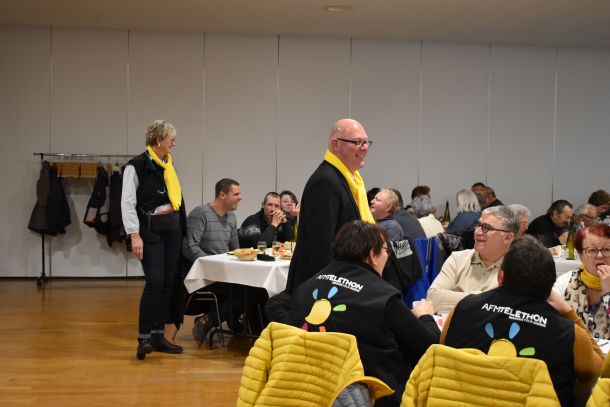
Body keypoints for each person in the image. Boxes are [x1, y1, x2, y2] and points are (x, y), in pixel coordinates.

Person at [288, 221, 440, 407]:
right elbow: (429, 347)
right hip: (371, 396)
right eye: (386, 250)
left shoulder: (305, 287)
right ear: (372, 255)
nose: (388, 256)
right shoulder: (383, 298)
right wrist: (425, 316)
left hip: (309, 390)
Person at [442, 236, 603, 406]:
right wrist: (569, 313)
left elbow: (444, 348)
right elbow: (598, 371)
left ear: (501, 276)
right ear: (550, 285)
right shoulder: (569, 333)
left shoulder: (462, 308)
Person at [121, 120, 186, 360]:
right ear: (159, 140)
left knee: (168, 282)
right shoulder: (136, 166)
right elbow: (127, 203)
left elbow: (176, 199)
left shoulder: (168, 164)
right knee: (155, 281)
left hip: (172, 229)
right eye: (171, 139)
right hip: (151, 231)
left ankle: (158, 335)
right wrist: (134, 235)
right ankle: (144, 338)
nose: (173, 144)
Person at [286, 118, 374, 293]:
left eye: (366, 142)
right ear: (336, 144)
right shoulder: (325, 181)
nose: (364, 147)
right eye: (357, 142)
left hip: (342, 278)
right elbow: (321, 246)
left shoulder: (352, 181)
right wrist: (333, 290)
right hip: (323, 287)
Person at [182, 178, 244, 345]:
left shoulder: (231, 218)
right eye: (236, 194)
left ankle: (209, 320)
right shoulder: (200, 214)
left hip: (223, 274)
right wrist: (211, 266)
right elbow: (190, 246)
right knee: (244, 291)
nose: (240, 197)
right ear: (222, 195)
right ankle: (212, 321)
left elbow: (235, 250)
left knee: (254, 287)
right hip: (203, 275)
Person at [427, 206, 518, 311]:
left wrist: (457, 298)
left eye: (487, 228)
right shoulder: (458, 258)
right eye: (478, 225)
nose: (477, 232)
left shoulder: (517, 269)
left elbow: (512, 308)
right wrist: (483, 298)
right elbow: (433, 298)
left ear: (508, 238)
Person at [553, 224, 610, 339]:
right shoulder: (566, 281)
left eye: (607, 250)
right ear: (580, 255)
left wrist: (608, 293)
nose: (600, 256)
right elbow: (548, 319)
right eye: (592, 250)